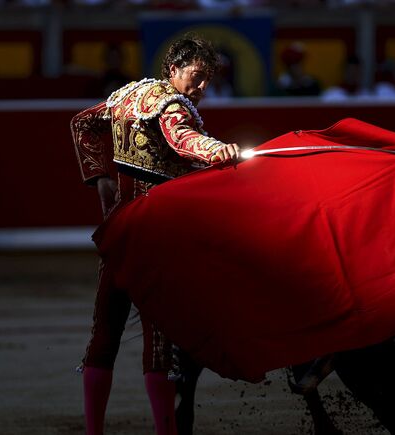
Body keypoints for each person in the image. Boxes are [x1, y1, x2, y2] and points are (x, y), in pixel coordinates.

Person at [70, 34, 240, 435]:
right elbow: (181, 137)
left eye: (207, 82)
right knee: (160, 345)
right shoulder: (170, 105)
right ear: (173, 70)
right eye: (195, 78)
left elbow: (82, 123)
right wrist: (218, 150)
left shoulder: (128, 95)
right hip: (154, 240)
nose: (200, 89)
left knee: (104, 336)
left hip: (118, 232)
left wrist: (100, 179)